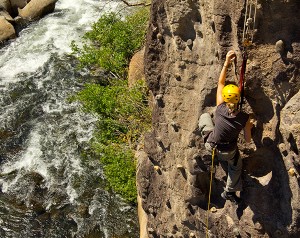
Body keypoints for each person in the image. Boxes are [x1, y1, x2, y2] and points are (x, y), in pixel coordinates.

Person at [199, 50, 253, 204]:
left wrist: (227, 62)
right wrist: (249, 125)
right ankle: (229, 191)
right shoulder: (244, 118)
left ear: (224, 97)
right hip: (228, 151)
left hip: (211, 145)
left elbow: (220, 83)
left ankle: (205, 136)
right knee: (235, 166)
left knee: (204, 117)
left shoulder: (220, 107)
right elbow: (248, 140)